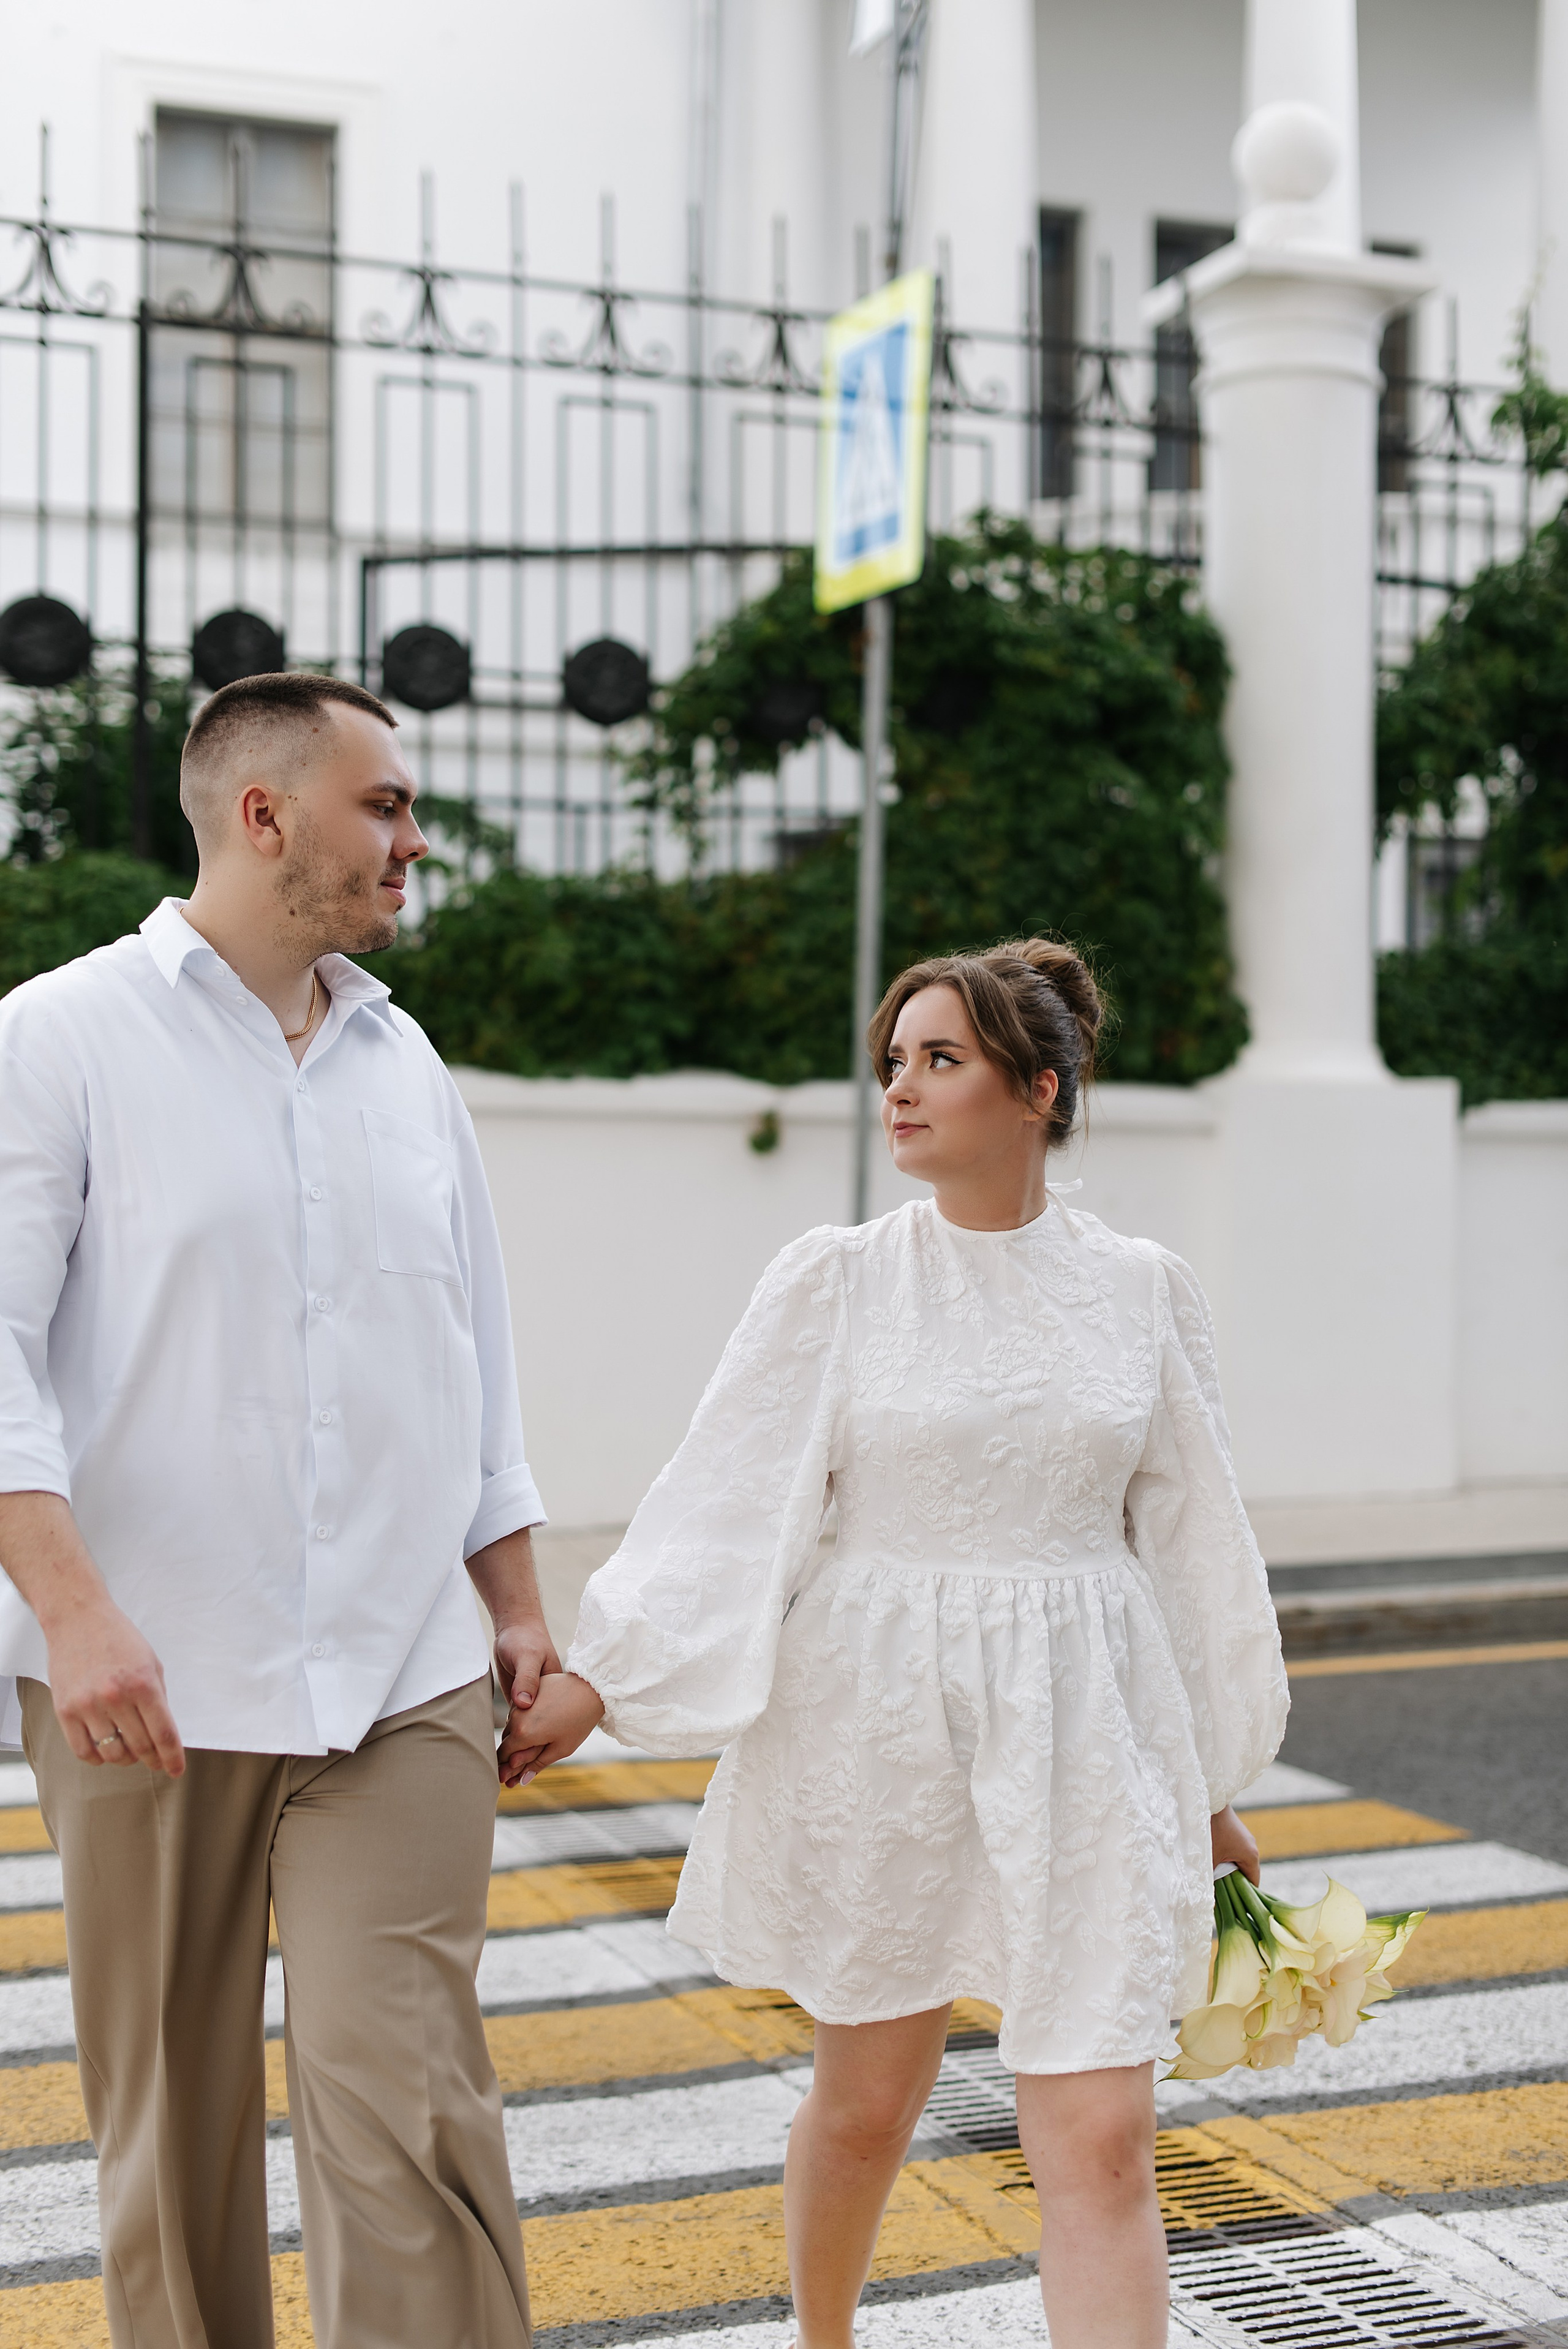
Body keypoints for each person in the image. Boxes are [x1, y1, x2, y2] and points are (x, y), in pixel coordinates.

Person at [507, 939, 1288, 2349]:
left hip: (1084, 1721)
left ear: (1037, 1088)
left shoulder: (1141, 1290)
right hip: (879, 1717)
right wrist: (601, 1673)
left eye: (940, 1060)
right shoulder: (838, 1279)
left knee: (1102, 2135)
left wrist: (1207, 1777)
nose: (899, 1091)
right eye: (891, 1064)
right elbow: (730, 1494)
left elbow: (1187, 1541)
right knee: (868, 2103)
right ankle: (824, 2338)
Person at [0, 673, 551, 2349]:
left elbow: (477, 1362)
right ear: (265, 815)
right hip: (151, 1678)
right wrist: (74, 1611)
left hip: (405, 1668)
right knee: (173, 2135)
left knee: (413, 2100)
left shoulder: (407, 1063)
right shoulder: (57, 1036)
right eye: (384, 803)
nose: (413, 837)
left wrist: (516, 1608)